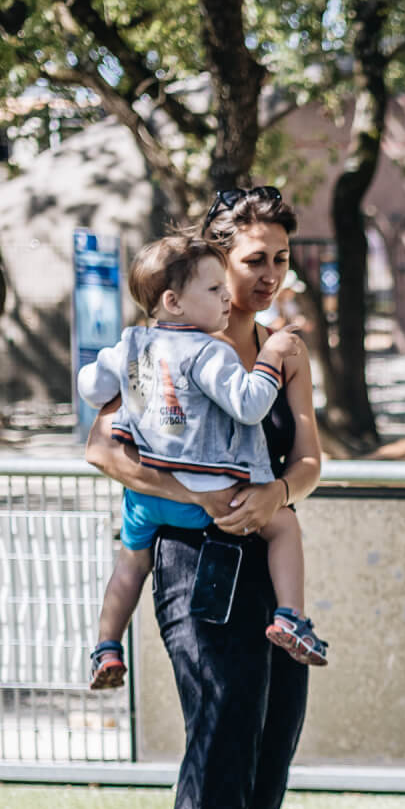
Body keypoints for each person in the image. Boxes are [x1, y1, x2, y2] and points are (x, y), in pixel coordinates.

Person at [83, 186, 325, 809]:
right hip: (197, 565)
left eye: (280, 260)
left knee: (265, 760)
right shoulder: (159, 345)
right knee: (217, 760)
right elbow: (100, 448)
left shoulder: (279, 347)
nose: (267, 276)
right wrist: (196, 493)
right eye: (252, 260)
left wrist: (273, 498)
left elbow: (311, 459)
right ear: (211, 261)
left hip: (268, 562)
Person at [80, 236, 327, 691]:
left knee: (131, 562)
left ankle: (106, 645)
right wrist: (270, 358)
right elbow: (249, 404)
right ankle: (292, 616)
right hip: (213, 494)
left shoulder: (130, 344)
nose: (225, 299)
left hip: (147, 496)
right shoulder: (210, 351)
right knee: (284, 526)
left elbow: (92, 387)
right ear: (173, 301)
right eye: (215, 290)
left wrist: (109, 378)